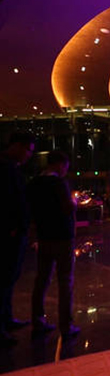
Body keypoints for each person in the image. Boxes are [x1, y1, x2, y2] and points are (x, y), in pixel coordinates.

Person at [27, 151, 79, 338]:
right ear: (59, 164)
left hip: (44, 237)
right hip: (62, 237)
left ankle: (38, 321)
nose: (65, 170)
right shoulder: (58, 183)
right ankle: (66, 326)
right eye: (65, 166)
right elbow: (67, 207)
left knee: (41, 280)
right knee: (65, 281)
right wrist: (74, 203)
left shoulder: (34, 183)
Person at [0, 131, 35, 346]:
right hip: (8, 235)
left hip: (15, 232)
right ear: (17, 146)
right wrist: (12, 228)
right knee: (4, 279)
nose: (28, 155)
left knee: (9, 279)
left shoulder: (12, 167)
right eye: (28, 150)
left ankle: (7, 320)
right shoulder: (5, 168)